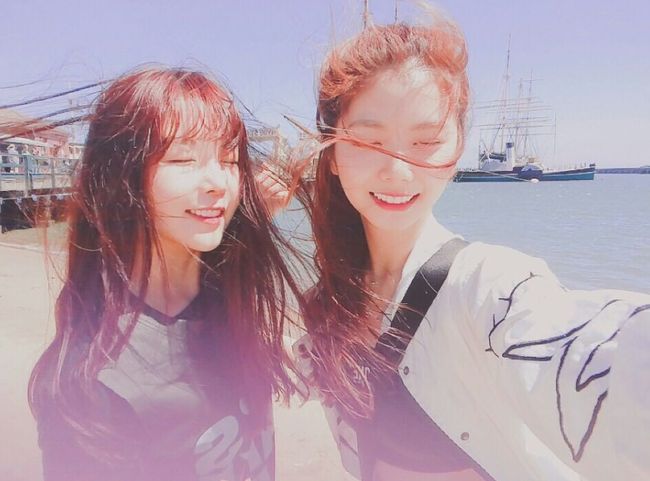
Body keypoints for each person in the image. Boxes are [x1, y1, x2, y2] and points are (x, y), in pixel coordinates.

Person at [293, 12, 650, 481]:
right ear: (333, 153)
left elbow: (594, 353)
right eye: (367, 140)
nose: (397, 171)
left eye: (426, 140)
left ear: (457, 149)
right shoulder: (330, 299)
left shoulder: (485, 287)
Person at [28, 67, 306, 481]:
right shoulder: (94, 385)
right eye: (182, 159)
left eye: (229, 159)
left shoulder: (224, 298)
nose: (218, 182)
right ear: (121, 176)